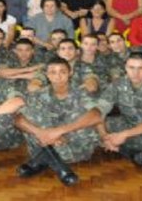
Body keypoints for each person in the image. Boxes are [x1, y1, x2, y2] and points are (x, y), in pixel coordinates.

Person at [14, 57, 103, 186]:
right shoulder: (39, 94)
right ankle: (61, 168)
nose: (58, 76)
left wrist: (59, 132)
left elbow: (96, 115)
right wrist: (40, 133)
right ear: (47, 75)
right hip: (45, 139)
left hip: (73, 147)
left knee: (83, 118)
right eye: (53, 72)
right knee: (32, 118)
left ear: (70, 73)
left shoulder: (81, 93)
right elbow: (18, 119)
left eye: (62, 71)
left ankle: (37, 162)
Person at [97, 52, 142, 165]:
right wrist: (103, 136)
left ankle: (120, 148)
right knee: (90, 127)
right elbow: (99, 111)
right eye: (131, 68)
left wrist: (124, 135)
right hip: (127, 122)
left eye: (141, 68)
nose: (135, 73)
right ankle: (114, 145)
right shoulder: (118, 84)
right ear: (125, 67)